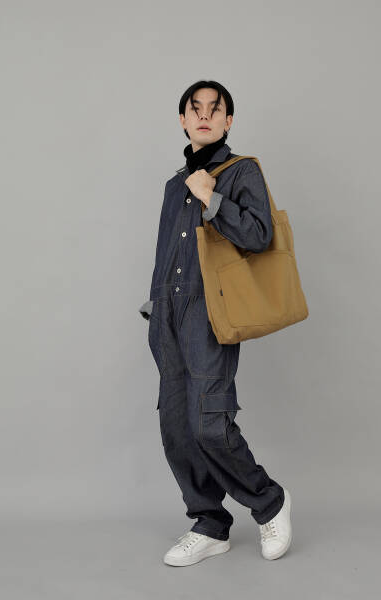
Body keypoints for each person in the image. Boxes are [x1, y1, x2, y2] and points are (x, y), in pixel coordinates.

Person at [139, 80, 292, 566]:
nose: (204, 115)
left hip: (209, 311)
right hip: (167, 314)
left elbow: (261, 235)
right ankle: (209, 523)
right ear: (183, 120)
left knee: (208, 423)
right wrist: (154, 309)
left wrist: (212, 198)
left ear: (228, 121)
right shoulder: (173, 186)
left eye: (215, 108)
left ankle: (269, 502)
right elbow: (166, 251)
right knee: (176, 428)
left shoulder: (240, 170)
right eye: (195, 108)